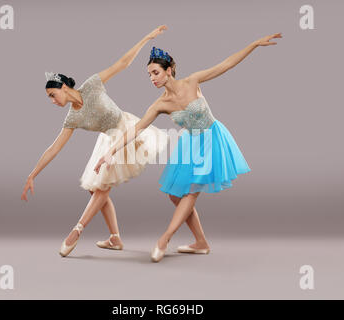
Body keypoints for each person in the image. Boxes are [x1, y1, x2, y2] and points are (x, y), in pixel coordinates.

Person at [94, 32, 282, 262]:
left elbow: (226, 65)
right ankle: (201, 242)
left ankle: (164, 239)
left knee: (191, 191)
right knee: (176, 195)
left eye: (155, 72)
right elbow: (137, 128)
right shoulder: (160, 104)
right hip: (189, 144)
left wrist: (253, 44)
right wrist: (110, 152)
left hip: (212, 138)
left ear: (168, 70)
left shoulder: (192, 81)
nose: (152, 78)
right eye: (149, 74)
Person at [21, 25, 169, 257]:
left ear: (63, 86)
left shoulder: (91, 85)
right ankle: (115, 238)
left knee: (101, 188)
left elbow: (122, 63)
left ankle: (77, 230)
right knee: (96, 189)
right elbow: (54, 148)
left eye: (52, 95)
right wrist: (32, 174)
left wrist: (146, 38)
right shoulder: (72, 117)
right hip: (108, 141)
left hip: (127, 130)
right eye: (49, 98)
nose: (52, 101)